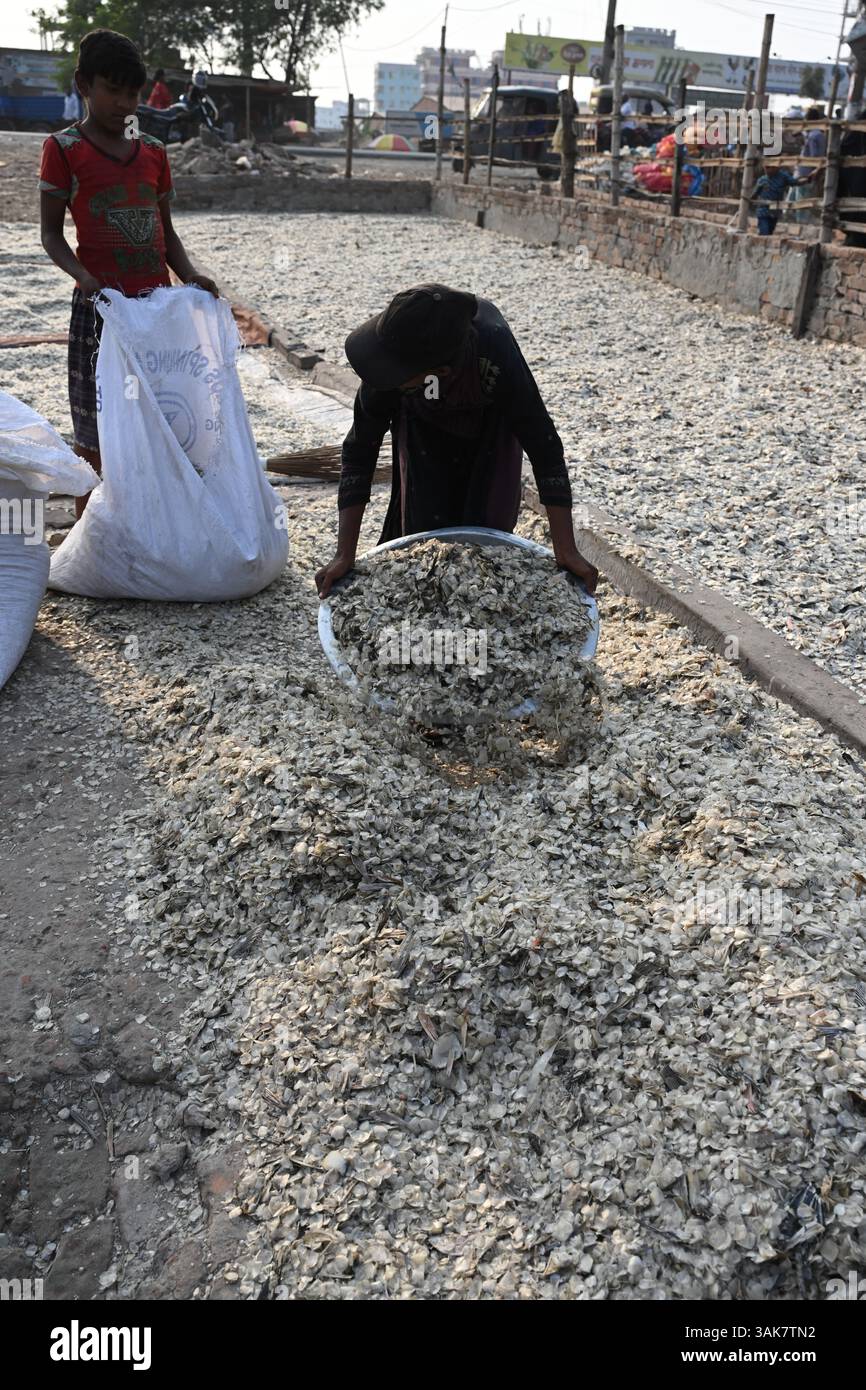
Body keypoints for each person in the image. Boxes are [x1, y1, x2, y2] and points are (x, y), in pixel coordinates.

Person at [316, 284, 599, 598]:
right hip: (422, 426)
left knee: (486, 542)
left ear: (437, 373)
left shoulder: (495, 354)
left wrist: (566, 549)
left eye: (397, 375)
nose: (383, 376)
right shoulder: (392, 360)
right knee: (422, 534)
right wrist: (345, 554)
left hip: (490, 431)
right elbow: (359, 448)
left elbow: (544, 446)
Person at [39, 29, 218, 517]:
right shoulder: (64, 149)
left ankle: (156, 515)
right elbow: (51, 235)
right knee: (96, 423)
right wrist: (85, 277)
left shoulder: (154, 151)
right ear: (84, 85)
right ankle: (94, 524)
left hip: (156, 314)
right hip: (100, 312)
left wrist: (190, 275)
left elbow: (167, 234)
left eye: (131, 93)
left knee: (160, 417)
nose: (123, 103)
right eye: (111, 90)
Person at [750, 157, 817, 235]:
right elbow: (754, 195)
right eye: (766, 168)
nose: (767, 170)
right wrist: (749, 201)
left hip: (775, 211)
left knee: (770, 231)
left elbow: (795, 182)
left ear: (776, 167)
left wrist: (808, 179)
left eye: (769, 168)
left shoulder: (783, 176)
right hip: (763, 211)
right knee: (764, 232)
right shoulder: (762, 180)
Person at [792, 106, 826, 224]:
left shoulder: (812, 136)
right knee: (798, 196)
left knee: (801, 198)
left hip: (806, 171)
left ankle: (800, 223)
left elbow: (814, 155)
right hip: (810, 170)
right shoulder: (819, 134)